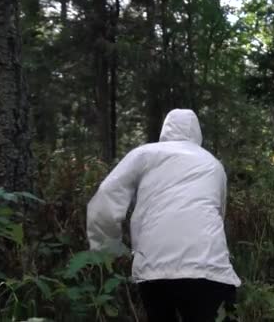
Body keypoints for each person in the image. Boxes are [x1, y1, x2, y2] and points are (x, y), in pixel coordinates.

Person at [87, 109, 241, 322]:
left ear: (165, 130)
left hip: (153, 269)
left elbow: (106, 196)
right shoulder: (213, 164)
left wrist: (107, 248)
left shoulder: (144, 154)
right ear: (198, 133)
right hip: (208, 268)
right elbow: (218, 213)